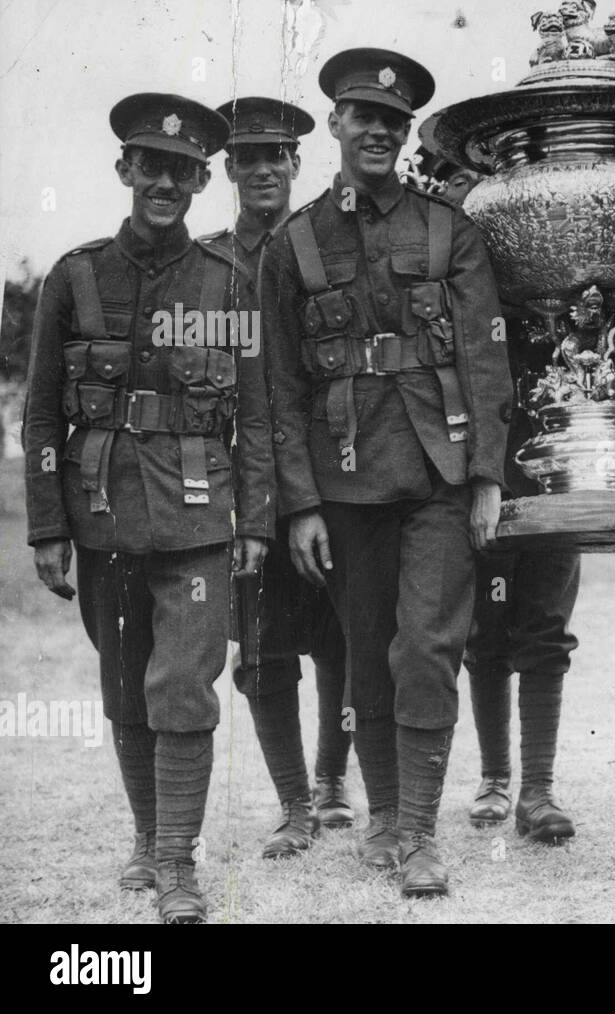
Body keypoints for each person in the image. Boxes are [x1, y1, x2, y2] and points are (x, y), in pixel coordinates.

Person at [259, 48, 512, 898]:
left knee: (429, 647)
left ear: (405, 136)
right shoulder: (293, 245)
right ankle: (382, 816)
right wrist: (298, 505)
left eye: (394, 122)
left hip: (439, 475)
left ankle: (420, 834)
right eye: (363, 116)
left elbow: (484, 361)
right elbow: (281, 389)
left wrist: (487, 476)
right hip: (345, 478)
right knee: (367, 655)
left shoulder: (450, 230)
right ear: (334, 122)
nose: (379, 132)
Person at [23, 93, 273, 923]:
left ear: (202, 181)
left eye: (182, 170)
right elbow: (43, 413)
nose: (164, 181)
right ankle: (144, 836)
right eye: (150, 165)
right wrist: (49, 527)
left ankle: (176, 866)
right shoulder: (75, 276)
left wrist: (259, 524)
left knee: (181, 688)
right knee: (126, 690)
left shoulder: (228, 282)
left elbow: (259, 412)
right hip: (101, 518)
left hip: (200, 520)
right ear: (125, 170)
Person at [418, 152, 583, 844]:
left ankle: (538, 790)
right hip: (469, 466)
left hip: (550, 463)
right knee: (483, 633)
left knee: (544, 627)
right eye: (455, 178)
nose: (472, 193)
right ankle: (494, 774)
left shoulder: (551, 262)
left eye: (483, 179)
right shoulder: (439, 266)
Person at [206, 96, 356, 858]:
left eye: (277, 156)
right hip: (239, 485)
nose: (262, 168)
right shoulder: (207, 264)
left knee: (342, 638)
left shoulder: (326, 251)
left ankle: (334, 783)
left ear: (298, 163)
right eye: (247, 158)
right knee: (262, 648)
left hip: (328, 473)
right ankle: (294, 805)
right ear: (227, 169)